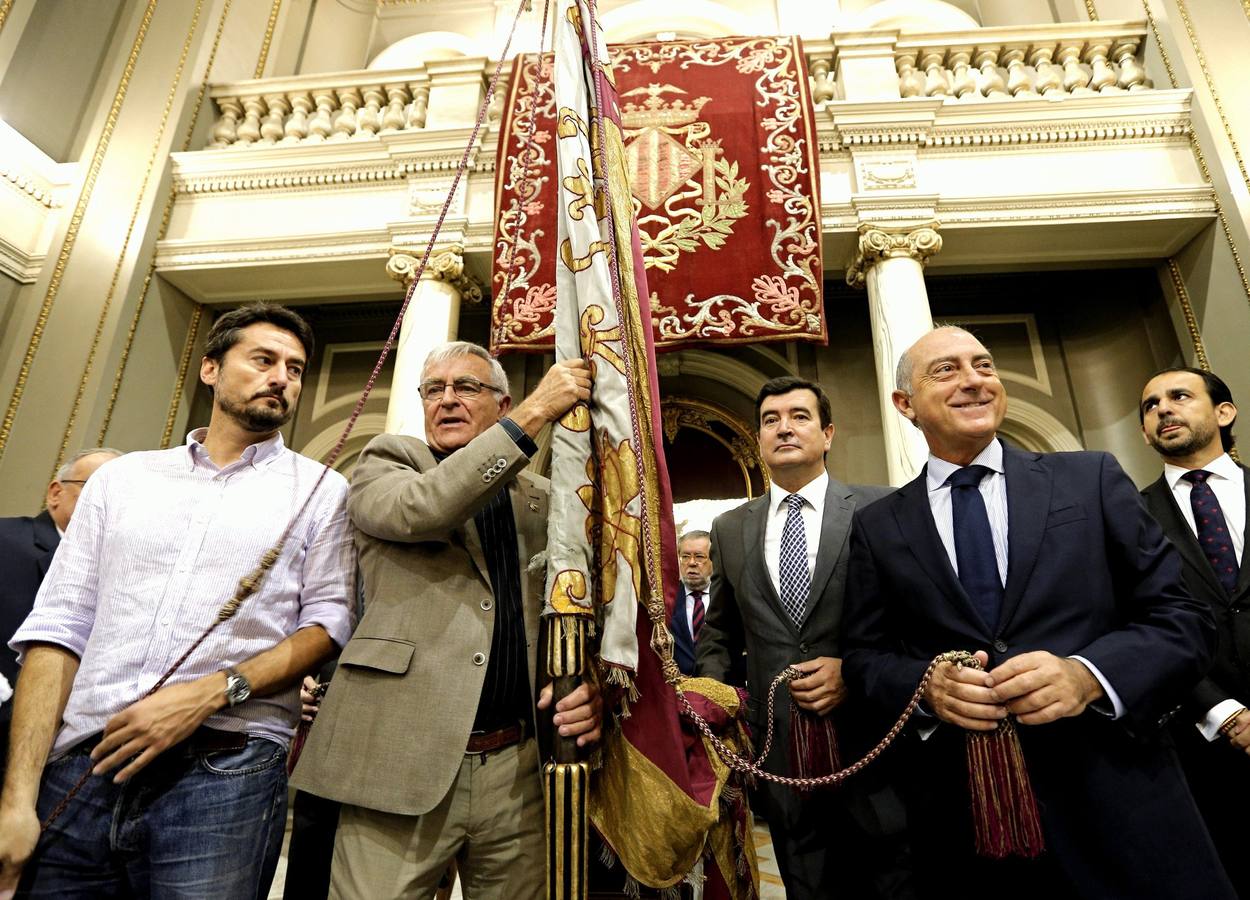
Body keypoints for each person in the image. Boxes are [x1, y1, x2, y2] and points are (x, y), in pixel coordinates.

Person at [842, 326, 1233, 898]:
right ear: (906, 405)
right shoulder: (879, 525)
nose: (974, 380)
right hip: (969, 821)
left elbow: (1183, 617)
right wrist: (926, 687)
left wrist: (1088, 676)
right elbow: (863, 657)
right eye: (946, 370)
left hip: (1122, 803)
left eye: (983, 365)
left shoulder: (1090, 478)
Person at [0, 303, 356, 897]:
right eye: (263, 360)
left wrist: (211, 692)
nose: (281, 378)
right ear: (210, 369)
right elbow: (59, 629)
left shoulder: (322, 490)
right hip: (85, 763)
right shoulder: (122, 480)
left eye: (295, 369)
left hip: (226, 771)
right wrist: (16, 798)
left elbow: (327, 625)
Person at [291, 340, 602, 900]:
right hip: (398, 759)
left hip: (517, 768)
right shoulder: (387, 464)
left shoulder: (545, 500)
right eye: (434, 389)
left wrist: (586, 683)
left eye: (467, 387)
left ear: (500, 405)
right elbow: (427, 508)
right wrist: (538, 409)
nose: (447, 399)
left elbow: (575, 607)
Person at [696, 375, 911, 899]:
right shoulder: (729, 528)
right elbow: (719, 631)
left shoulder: (880, 508)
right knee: (805, 883)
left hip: (871, 739)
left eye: (799, 416)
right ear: (758, 439)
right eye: (771, 420)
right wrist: (715, 706)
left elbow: (909, 619)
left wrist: (855, 670)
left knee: (892, 880)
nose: (784, 428)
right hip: (779, 750)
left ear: (828, 433)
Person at [1139, 366, 1250, 896]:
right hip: (1199, 743)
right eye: (1150, 405)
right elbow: (1139, 623)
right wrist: (1224, 712)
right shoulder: (1129, 515)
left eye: (1179, 396)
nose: (1163, 408)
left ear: (1224, 412)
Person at [0, 448, 120, 778]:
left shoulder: (126, 574)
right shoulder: (5, 540)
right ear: (56, 493)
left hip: (66, 758)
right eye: (99, 489)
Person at [670, 530, 712, 677]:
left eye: (699, 556)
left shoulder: (729, 597)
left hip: (723, 685)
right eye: (685, 557)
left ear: (714, 559)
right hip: (678, 685)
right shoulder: (666, 600)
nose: (692, 563)